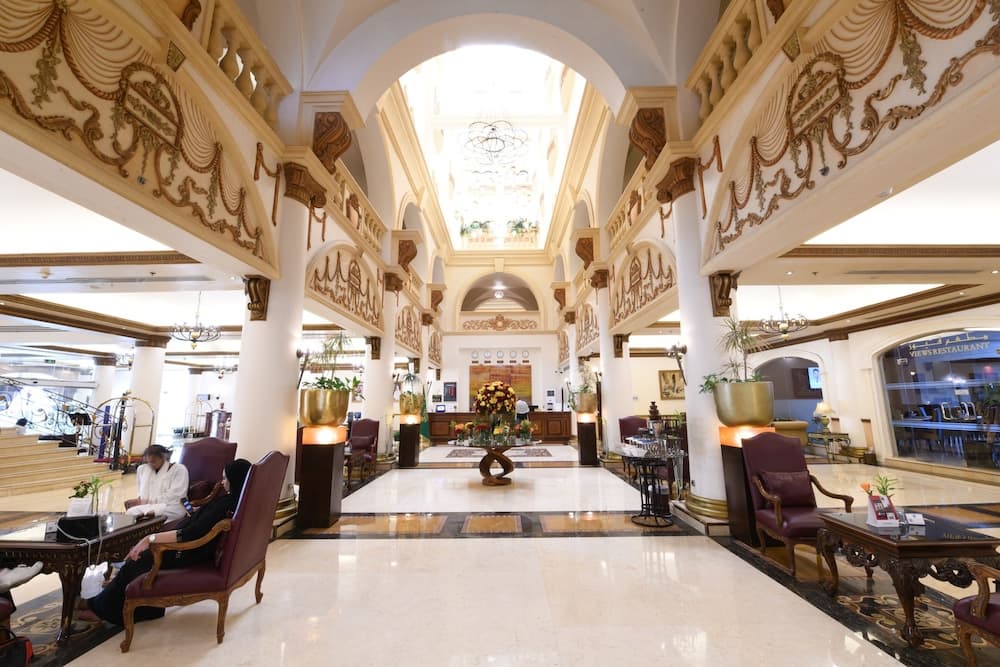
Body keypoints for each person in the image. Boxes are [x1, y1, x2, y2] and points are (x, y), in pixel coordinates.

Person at [78, 458, 252, 627]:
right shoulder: (234, 501)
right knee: (136, 561)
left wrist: (150, 539)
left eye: (225, 478)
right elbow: (205, 522)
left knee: (135, 563)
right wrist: (198, 513)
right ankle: (144, 609)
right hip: (191, 547)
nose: (222, 482)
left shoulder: (225, 504)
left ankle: (100, 610)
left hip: (186, 551)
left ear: (235, 480)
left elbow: (189, 534)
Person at [125, 445, 189, 522]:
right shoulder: (143, 469)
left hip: (172, 507)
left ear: (163, 458)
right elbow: (140, 491)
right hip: (151, 506)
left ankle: (150, 520)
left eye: (153, 461)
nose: (150, 464)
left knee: (151, 513)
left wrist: (147, 501)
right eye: (148, 462)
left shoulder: (179, 469)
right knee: (131, 512)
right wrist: (138, 500)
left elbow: (176, 496)